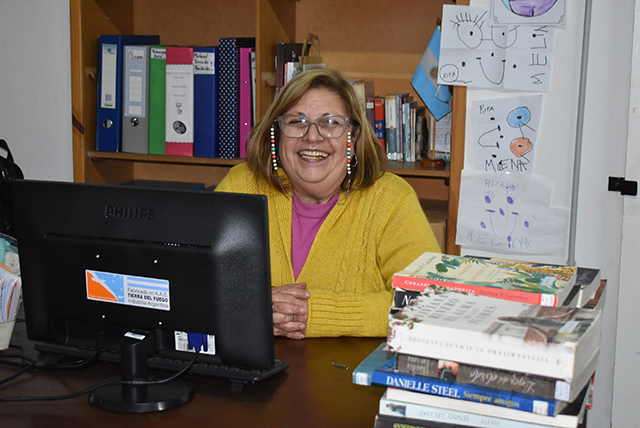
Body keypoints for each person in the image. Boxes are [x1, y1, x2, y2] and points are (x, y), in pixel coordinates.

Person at [216, 68, 440, 339]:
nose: (312, 136)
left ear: (353, 137)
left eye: (331, 123)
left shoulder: (391, 199)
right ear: (276, 133)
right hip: (251, 371)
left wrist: (317, 313)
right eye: (297, 121)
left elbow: (430, 303)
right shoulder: (242, 185)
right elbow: (194, 284)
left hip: (347, 376)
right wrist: (252, 306)